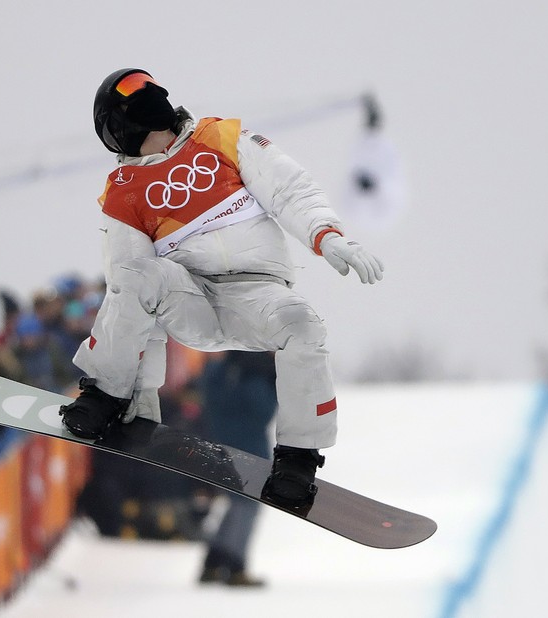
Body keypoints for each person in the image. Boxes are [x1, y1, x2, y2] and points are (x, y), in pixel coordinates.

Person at [59, 68, 384, 507]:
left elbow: (288, 189)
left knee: (304, 326)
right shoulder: (125, 190)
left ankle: (297, 458)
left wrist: (327, 236)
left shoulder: (221, 138)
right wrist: (140, 391)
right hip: (193, 297)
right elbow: (128, 292)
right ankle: (105, 395)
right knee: (139, 272)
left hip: (258, 295)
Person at [198, 351, 277, 586]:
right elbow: (263, 411)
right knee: (247, 506)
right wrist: (267, 377)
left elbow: (210, 393)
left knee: (236, 506)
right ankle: (235, 566)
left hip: (222, 444)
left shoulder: (223, 372)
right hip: (249, 450)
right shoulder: (253, 378)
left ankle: (213, 563)